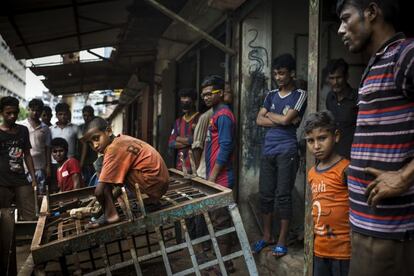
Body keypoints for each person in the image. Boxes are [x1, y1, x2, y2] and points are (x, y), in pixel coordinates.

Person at [337, 1, 414, 275]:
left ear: (371, 12)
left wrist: (404, 176)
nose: (340, 30)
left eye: (346, 19)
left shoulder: (405, 54)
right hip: (368, 225)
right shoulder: (378, 61)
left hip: (390, 232)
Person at [252, 54, 307, 257]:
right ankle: (267, 236)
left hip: (287, 151)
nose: (278, 77)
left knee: (283, 195)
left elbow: (286, 121)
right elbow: (259, 119)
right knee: (266, 194)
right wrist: (283, 119)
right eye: (275, 73)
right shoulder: (271, 94)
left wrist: (273, 116)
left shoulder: (300, 94)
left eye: (282, 73)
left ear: (292, 73)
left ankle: (282, 241)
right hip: (268, 150)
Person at [82, 117, 169, 228]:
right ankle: (111, 212)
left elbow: (99, 192)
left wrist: (103, 203)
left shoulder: (113, 149)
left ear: (108, 131)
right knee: (105, 168)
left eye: (96, 138)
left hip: (152, 185)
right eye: (90, 143)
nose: (95, 145)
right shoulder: (122, 139)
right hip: (160, 183)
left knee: (100, 164)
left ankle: (110, 216)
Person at [304, 111, 351, 276]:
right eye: (310, 141)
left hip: (344, 252)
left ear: (336, 136)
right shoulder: (311, 174)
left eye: (322, 138)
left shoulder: (345, 170)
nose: (316, 146)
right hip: (319, 250)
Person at [200, 75, 236, 272]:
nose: (205, 97)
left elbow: (226, 147)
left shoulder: (223, 115)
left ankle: (224, 265)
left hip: (221, 178)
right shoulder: (216, 113)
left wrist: (212, 178)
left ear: (220, 93)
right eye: (203, 94)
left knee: (221, 221)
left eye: (209, 93)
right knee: (217, 220)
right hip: (215, 177)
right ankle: (223, 262)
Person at [0, 96, 37, 220]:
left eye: (15, 113)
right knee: (4, 216)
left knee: (30, 215)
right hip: (2, 182)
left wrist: (33, 177)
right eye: (8, 113)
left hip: (20, 179)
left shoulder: (23, 130)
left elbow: (27, 154)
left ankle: (29, 238)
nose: (12, 116)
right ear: (1, 113)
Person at [324, 59, 358, 159]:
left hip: (353, 154)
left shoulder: (357, 97)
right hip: (334, 154)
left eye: (338, 77)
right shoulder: (330, 97)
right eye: (331, 78)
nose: (335, 82)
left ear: (346, 76)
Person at [19, 99, 52, 195]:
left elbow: (48, 148)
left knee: (40, 193)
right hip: (24, 168)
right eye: (32, 110)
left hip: (40, 167)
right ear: (28, 109)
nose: (35, 113)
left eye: (37, 110)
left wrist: (48, 166)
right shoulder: (21, 125)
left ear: (41, 112)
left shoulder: (45, 128)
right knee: (25, 193)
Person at [168, 89, 200, 174]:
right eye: (182, 103)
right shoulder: (178, 122)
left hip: (197, 169)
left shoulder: (200, 119)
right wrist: (190, 142)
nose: (184, 105)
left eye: (187, 102)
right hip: (180, 167)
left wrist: (178, 138)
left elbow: (198, 141)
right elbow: (171, 143)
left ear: (194, 102)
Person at [50, 102, 79, 192]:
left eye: (65, 114)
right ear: (56, 115)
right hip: (55, 163)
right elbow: (47, 148)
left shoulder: (74, 128)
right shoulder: (50, 129)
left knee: (71, 181)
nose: (63, 116)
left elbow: (83, 144)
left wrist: (81, 160)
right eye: (60, 114)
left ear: (68, 114)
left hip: (70, 161)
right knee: (59, 184)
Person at [78, 105, 97, 185]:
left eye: (89, 116)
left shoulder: (96, 128)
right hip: (82, 160)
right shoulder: (80, 128)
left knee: (92, 181)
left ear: (93, 116)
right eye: (85, 115)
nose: (86, 118)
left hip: (92, 160)